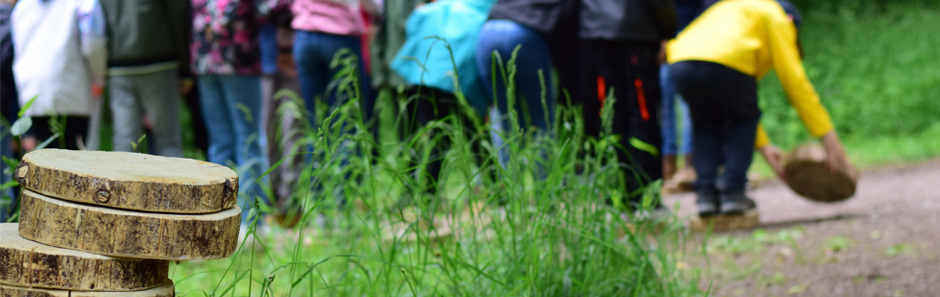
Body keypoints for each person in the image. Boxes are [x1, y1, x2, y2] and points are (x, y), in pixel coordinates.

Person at [667, 0, 849, 216]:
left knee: (706, 123)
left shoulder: (737, 9)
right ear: (791, 22)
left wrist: (763, 145)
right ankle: (733, 192)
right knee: (743, 119)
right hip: (726, 61)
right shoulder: (777, 17)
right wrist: (826, 134)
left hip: (681, 62)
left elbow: (738, 100)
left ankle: (705, 194)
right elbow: (795, 82)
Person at [190, 0, 289, 225]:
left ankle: (218, 219)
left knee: (220, 141)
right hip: (238, 60)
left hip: (204, 60)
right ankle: (251, 223)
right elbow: (271, 9)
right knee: (249, 141)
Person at [577, 0, 676, 210]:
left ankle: (615, 192)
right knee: (642, 114)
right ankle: (644, 195)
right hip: (637, 32)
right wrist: (667, 31)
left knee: (610, 114)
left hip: (596, 33)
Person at [475, 0, 579, 174]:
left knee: (503, 114)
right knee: (542, 117)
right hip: (525, 34)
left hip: (487, 33)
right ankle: (544, 188)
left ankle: (508, 188)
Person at [12, 0, 107, 151]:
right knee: (76, 160)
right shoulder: (83, 3)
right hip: (73, 92)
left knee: (43, 162)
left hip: (32, 94)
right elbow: (93, 41)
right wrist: (99, 78)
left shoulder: (22, 6)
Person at [99, 0, 190, 157]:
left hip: (118, 66)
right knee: (168, 141)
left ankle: (122, 182)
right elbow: (178, 15)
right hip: (159, 62)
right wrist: (186, 68)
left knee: (124, 145)